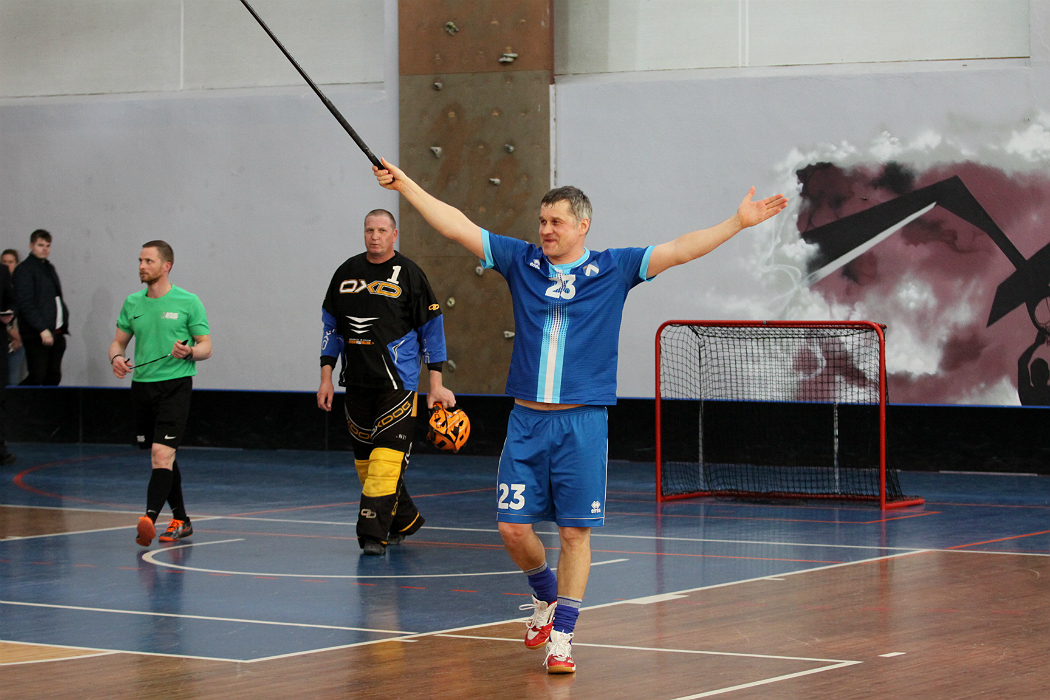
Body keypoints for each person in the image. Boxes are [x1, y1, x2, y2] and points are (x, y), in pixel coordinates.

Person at [373, 159, 787, 673]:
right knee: (512, 529)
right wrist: (406, 185)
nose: (545, 230)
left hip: (583, 423)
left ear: (582, 225)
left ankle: (563, 638)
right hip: (526, 422)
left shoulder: (615, 268)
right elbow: (457, 225)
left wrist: (737, 223)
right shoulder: (520, 261)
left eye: (556, 222)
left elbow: (681, 249)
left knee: (574, 534)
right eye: (542, 221)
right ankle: (545, 595)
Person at [317, 208, 456, 556]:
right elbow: (331, 329)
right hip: (355, 383)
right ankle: (404, 519)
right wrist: (326, 378)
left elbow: (432, 331)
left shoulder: (410, 274)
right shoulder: (346, 273)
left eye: (382, 230)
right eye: (369, 230)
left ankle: (371, 536)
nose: (375, 236)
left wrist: (435, 384)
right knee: (366, 465)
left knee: (386, 464)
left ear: (394, 235)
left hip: (399, 384)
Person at [109, 241, 212, 547]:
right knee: (162, 457)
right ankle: (182, 520)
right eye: (140, 260)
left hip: (175, 386)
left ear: (166, 266)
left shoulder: (188, 302)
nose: (142, 266)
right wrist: (116, 358)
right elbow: (118, 342)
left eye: (149, 261)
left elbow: (206, 346)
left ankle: (148, 520)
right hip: (142, 388)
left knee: (161, 454)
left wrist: (189, 351)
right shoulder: (132, 303)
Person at [13, 230, 68, 385]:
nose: (45, 249)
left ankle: (47, 403)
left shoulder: (49, 268)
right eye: (40, 245)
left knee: (53, 377)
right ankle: (13, 399)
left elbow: (55, 299)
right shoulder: (24, 269)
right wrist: (42, 329)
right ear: (31, 246)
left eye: (48, 245)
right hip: (37, 334)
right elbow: (25, 303)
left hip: (55, 332)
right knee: (37, 376)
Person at [0, 259, 17, 464]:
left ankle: (0, 447)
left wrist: (10, 314)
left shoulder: (2, 272)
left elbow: (11, 300)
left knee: (0, 397)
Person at [1, 250, 25, 386]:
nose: (7, 265)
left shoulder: (21, 283)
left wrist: (18, 336)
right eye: (4, 261)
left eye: (11, 262)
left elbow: (16, 305)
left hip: (16, 336)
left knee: (11, 378)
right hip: (7, 333)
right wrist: (11, 332)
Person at [1018, 328, 1050, 406]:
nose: (1039, 375)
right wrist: (1037, 343)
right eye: (1037, 372)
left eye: (1040, 372)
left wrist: (1037, 344)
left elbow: (1022, 363)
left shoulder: (1027, 394)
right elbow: (1022, 363)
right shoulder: (1028, 394)